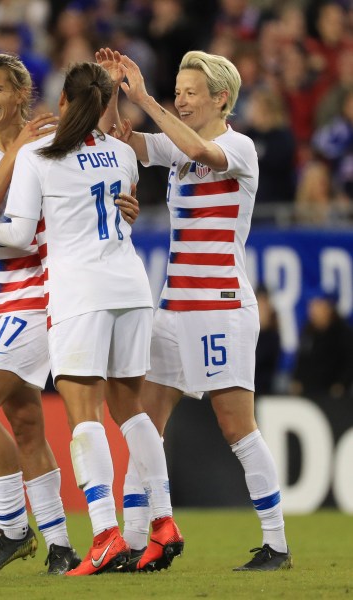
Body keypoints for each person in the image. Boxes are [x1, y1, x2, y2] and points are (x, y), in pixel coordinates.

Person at [0, 60, 183, 576]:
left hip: (68, 293)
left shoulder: (39, 154)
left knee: (77, 418)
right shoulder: (121, 154)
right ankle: (155, 525)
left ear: (59, 103)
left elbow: (8, 229)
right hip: (128, 287)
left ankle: (98, 533)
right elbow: (114, 205)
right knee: (126, 412)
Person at [111, 48, 293, 570]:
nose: (182, 100)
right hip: (172, 308)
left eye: (191, 93)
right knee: (145, 421)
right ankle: (135, 539)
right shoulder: (177, 148)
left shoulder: (240, 148)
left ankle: (276, 544)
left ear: (221, 99)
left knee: (237, 427)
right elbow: (128, 143)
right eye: (178, 92)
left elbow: (195, 148)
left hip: (221, 307)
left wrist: (145, 99)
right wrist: (109, 93)